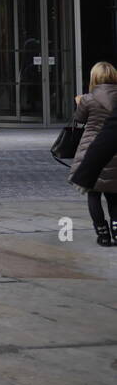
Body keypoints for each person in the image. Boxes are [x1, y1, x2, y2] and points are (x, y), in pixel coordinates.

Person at [70, 61, 117, 246]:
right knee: (114, 195)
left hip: (92, 150)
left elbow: (79, 119)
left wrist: (78, 102)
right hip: (114, 151)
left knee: (93, 194)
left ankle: (102, 233)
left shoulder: (88, 99)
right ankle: (116, 229)